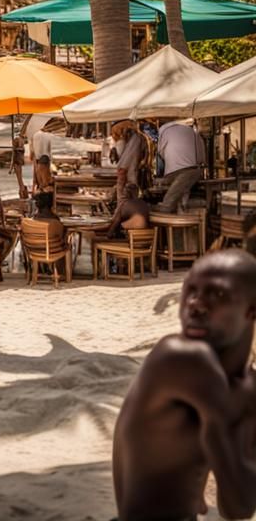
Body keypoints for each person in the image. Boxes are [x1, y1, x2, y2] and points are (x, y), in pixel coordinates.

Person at [112, 250, 256, 521]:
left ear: (251, 309)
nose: (195, 304)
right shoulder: (180, 356)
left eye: (218, 295)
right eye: (190, 290)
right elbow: (239, 504)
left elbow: (235, 504)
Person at [157, 120, 206, 213]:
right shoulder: (193, 133)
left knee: (169, 200)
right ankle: (183, 210)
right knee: (182, 191)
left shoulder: (164, 131)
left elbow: (160, 152)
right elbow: (202, 158)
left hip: (175, 170)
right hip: (193, 169)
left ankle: (168, 214)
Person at [112, 121, 146, 203]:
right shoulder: (140, 138)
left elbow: (121, 153)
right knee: (129, 191)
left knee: (124, 194)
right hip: (128, 168)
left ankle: (123, 209)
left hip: (125, 167)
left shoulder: (131, 139)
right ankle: (126, 208)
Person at [10, 134, 27, 199]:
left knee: (19, 180)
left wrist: (11, 168)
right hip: (21, 162)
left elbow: (13, 158)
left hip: (16, 162)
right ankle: (23, 193)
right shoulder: (22, 147)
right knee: (21, 179)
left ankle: (22, 194)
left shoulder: (15, 150)